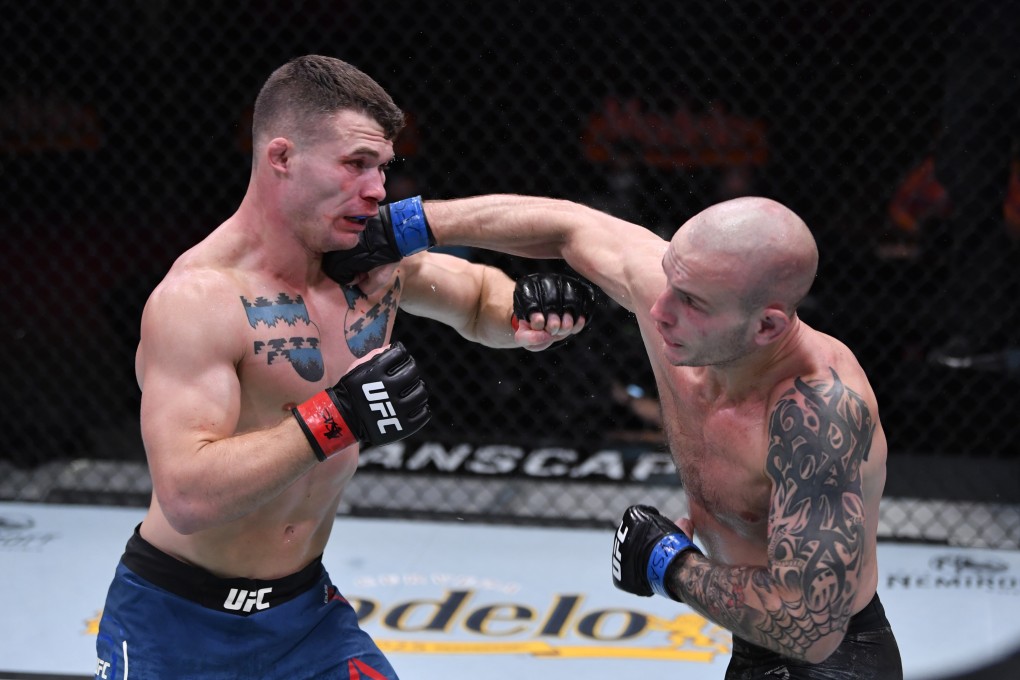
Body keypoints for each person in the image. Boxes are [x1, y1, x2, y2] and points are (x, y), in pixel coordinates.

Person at [94, 56, 592, 680]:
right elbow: (188, 495)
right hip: (177, 623)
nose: (378, 190)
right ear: (282, 157)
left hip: (307, 619)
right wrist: (338, 415)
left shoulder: (365, 262)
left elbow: (474, 300)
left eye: (383, 168)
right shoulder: (199, 301)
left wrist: (528, 312)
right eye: (356, 165)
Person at [344, 193, 903, 678]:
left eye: (691, 302)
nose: (658, 310)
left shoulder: (817, 415)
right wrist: (401, 227)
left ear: (768, 326)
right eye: (669, 279)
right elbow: (568, 225)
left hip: (835, 662)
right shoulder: (681, 307)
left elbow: (810, 627)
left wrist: (669, 564)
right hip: (751, 644)